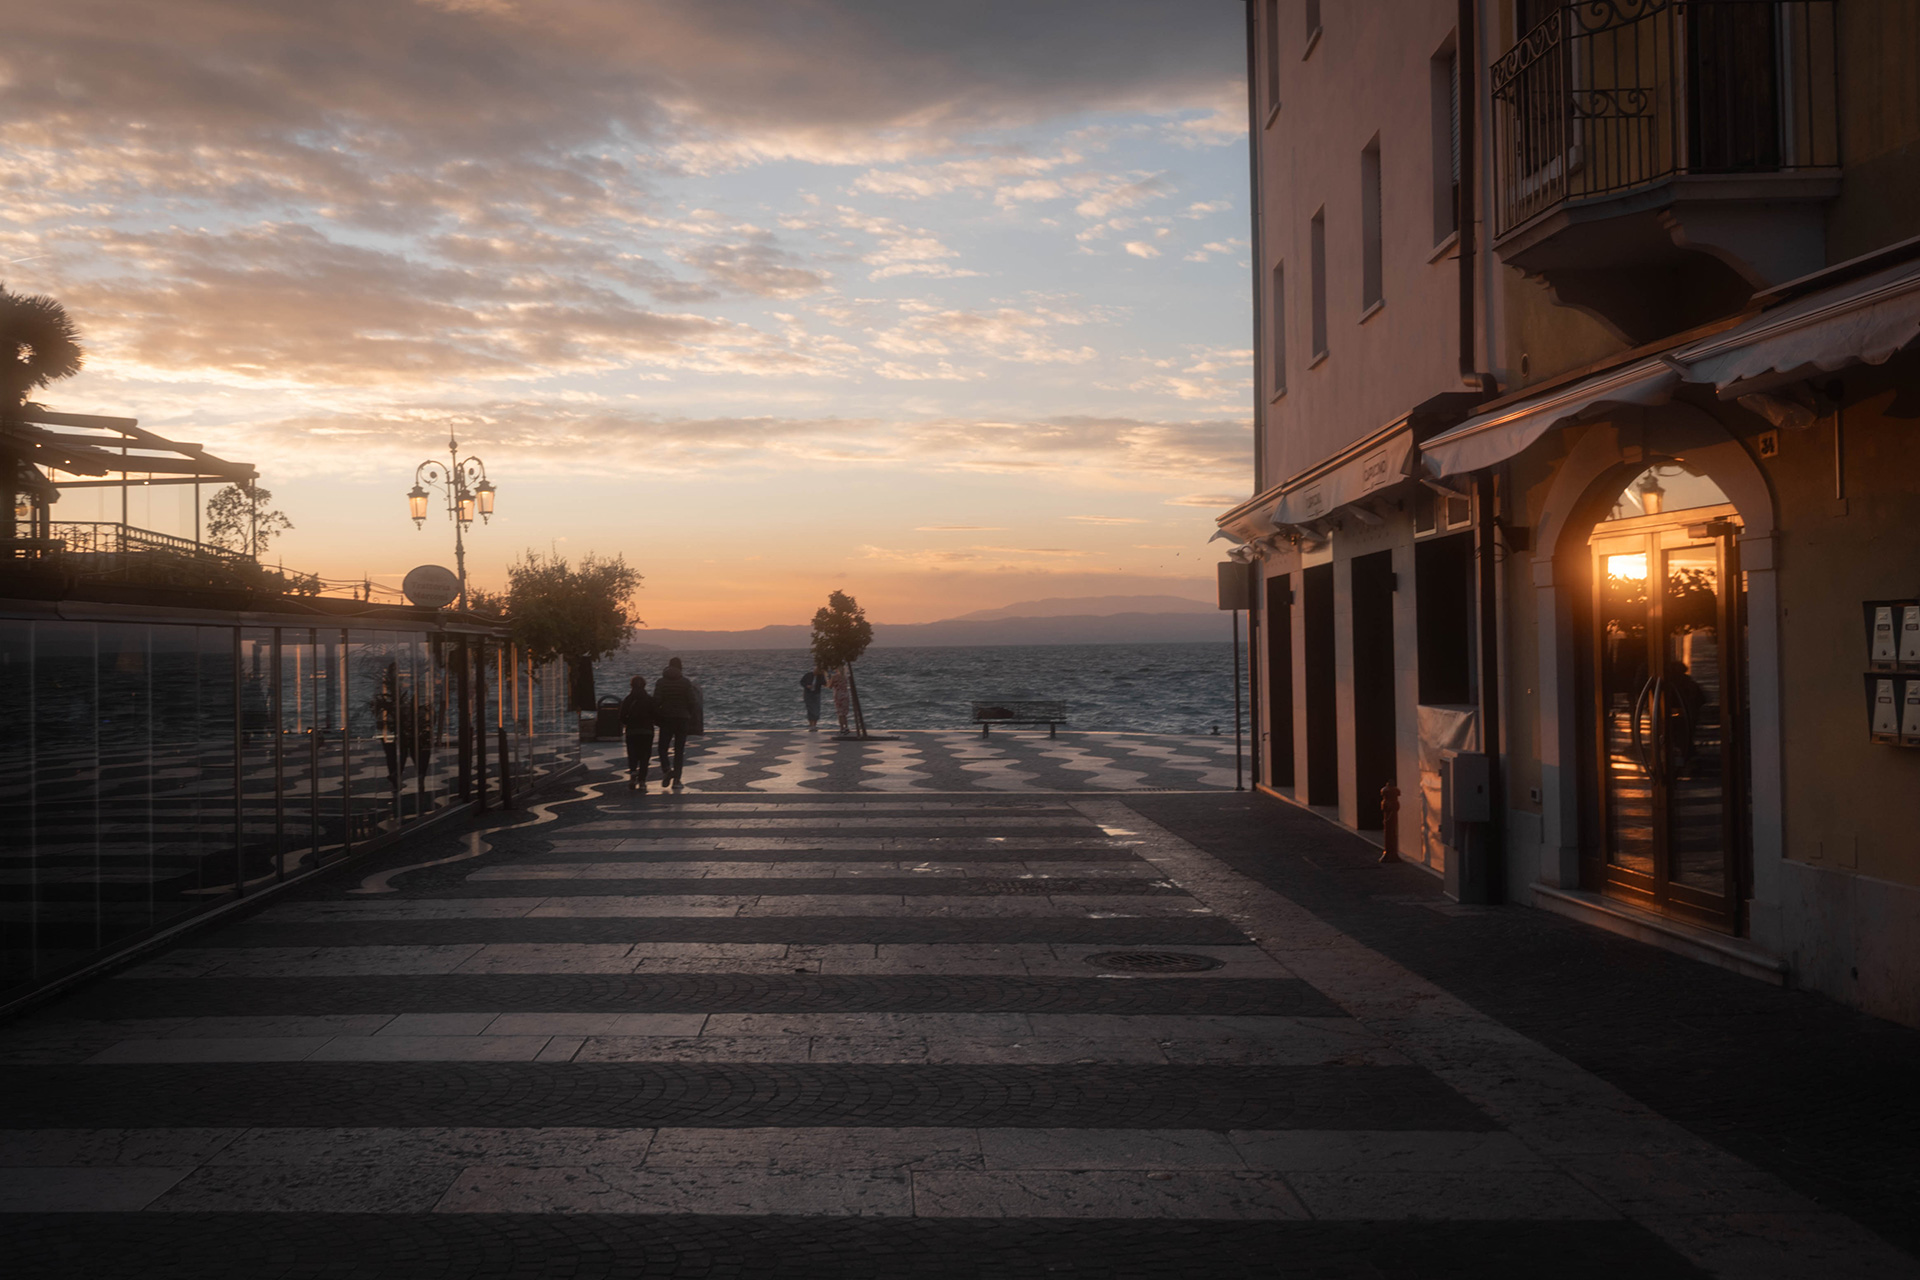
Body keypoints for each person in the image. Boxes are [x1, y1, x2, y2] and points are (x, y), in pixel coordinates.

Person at [653, 656, 697, 791]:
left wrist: (658, 717)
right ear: (680, 667)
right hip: (682, 719)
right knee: (679, 750)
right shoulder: (685, 682)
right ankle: (677, 780)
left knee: (662, 748)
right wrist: (688, 715)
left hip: (666, 719)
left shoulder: (661, 682)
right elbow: (692, 701)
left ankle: (666, 769)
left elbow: (656, 701)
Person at [619, 674, 656, 793]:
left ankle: (633, 772)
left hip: (632, 731)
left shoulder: (628, 699)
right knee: (645, 755)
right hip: (647, 731)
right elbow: (656, 715)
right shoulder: (649, 699)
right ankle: (642, 781)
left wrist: (628, 723)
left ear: (631, 686)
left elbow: (622, 717)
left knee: (632, 753)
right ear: (644, 685)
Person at [799, 666, 826, 732]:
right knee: (810, 709)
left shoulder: (820, 676)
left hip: (816, 694)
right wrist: (806, 686)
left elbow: (824, 683)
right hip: (808, 694)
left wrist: (825, 675)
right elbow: (802, 682)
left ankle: (814, 725)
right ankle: (811, 725)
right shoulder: (808, 675)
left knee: (816, 709)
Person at [828, 665, 850, 734]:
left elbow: (830, 686)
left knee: (840, 712)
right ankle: (846, 726)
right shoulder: (845, 677)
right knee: (844, 712)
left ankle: (842, 728)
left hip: (838, 695)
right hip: (845, 695)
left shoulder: (835, 677)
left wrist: (828, 679)